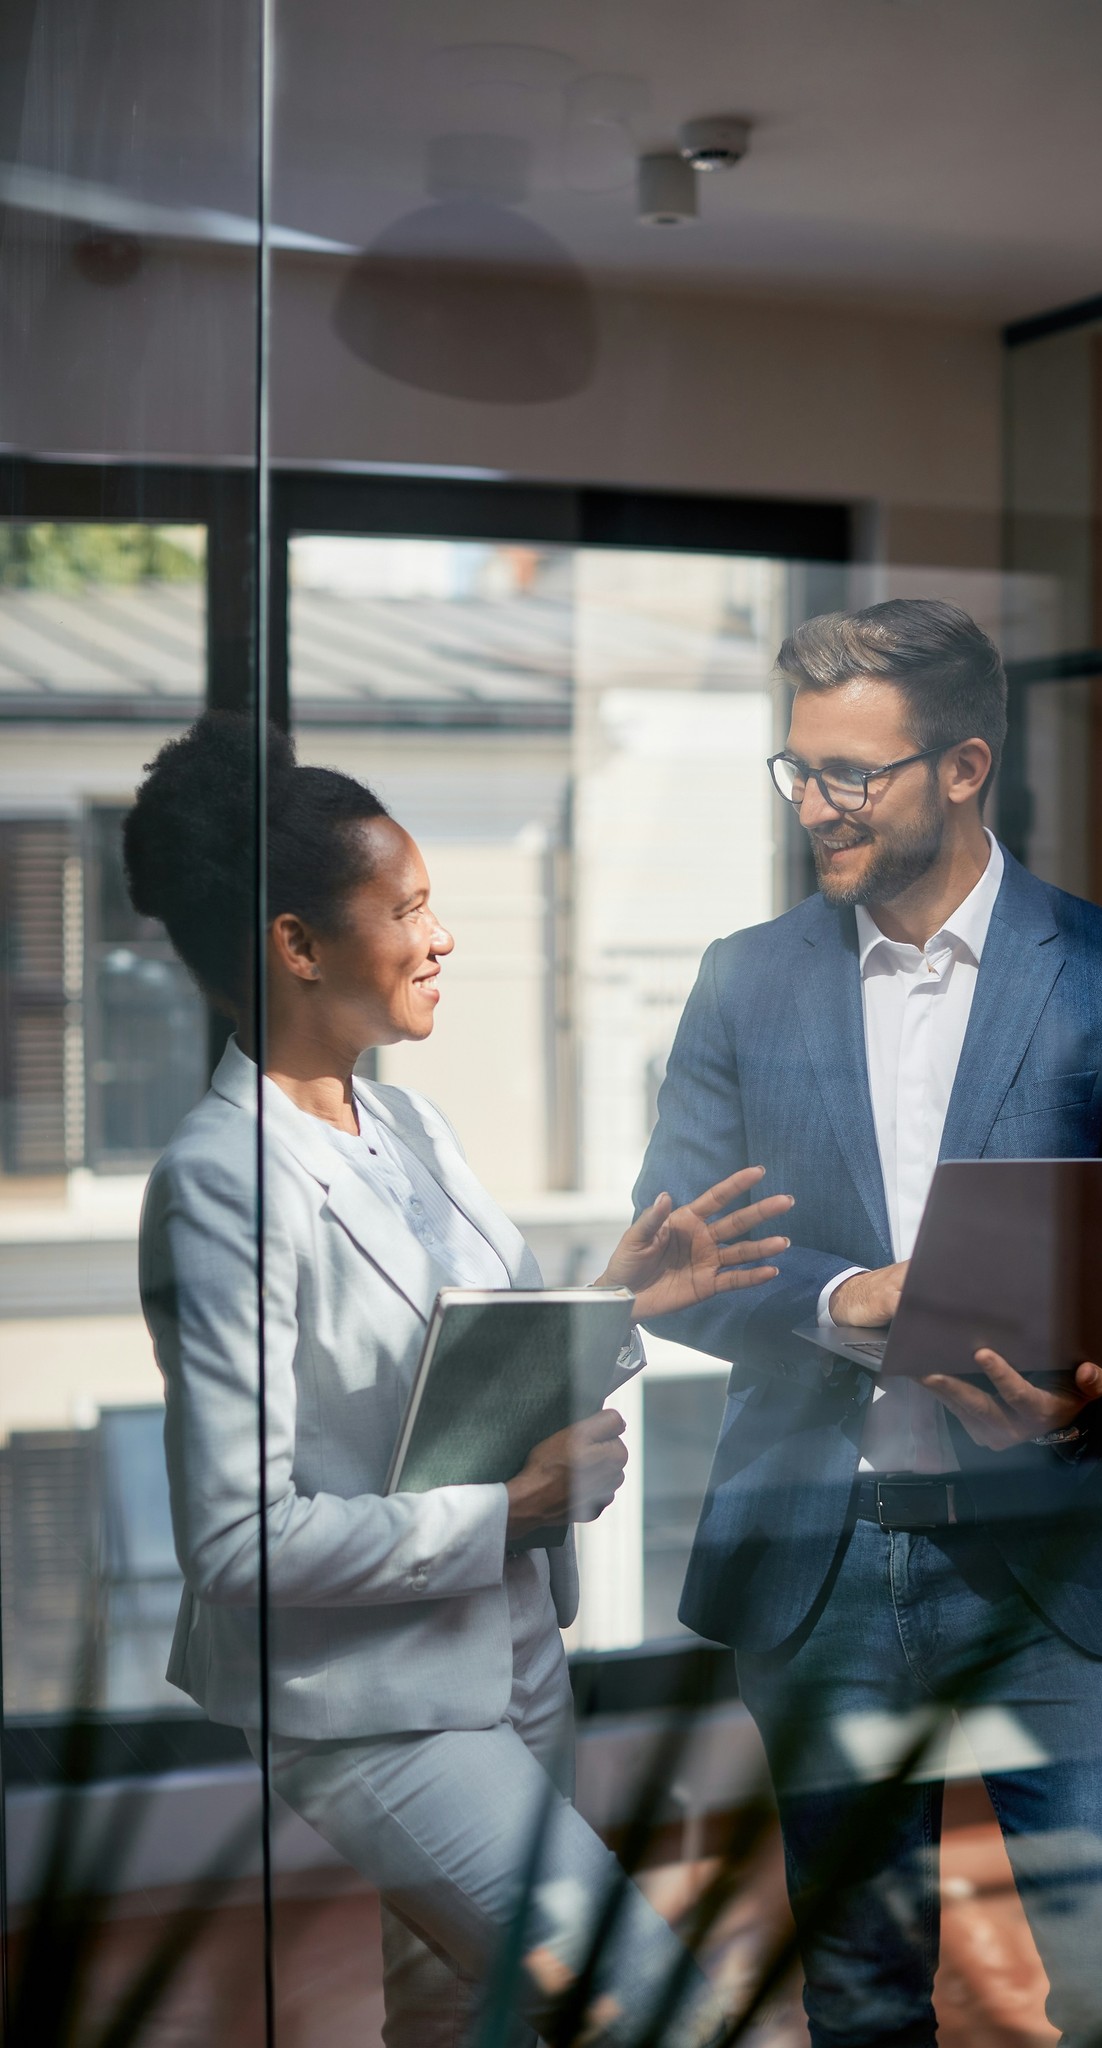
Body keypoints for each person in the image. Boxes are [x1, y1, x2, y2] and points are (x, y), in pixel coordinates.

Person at [127, 712, 794, 2048]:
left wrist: (617, 1301)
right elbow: (234, 1539)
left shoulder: (405, 1119)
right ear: (296, 946)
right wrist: (510, 1511)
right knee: (652, 2009)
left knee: (456, 2022)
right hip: (375, 1710)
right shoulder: (222, 1183)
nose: (441, 938)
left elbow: (458, 1377)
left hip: (502, 1659)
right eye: (410, 908)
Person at [633, 598, 1102, 2048]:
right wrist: (847, 1298)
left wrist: (1090, 1390)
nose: (813, 808)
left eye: (850, 775)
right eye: (797, 771)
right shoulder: (742, 978)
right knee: (858, 1992)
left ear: (961, 769)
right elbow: (679, 1246)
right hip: (820, 1568)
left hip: (1053, 1562)